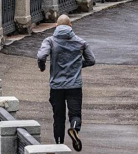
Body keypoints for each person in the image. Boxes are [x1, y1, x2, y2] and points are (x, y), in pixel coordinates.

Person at [37, 15, 95, 152]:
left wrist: (42, 67)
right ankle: (74, 128)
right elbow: (91, 60)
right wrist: (78, 64)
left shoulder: (50, 41)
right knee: (75, 114)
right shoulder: (80, 42)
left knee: (58, 117)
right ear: (71, 26)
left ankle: (59, 146)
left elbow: (41, 56)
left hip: (56, 87)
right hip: (74, 85)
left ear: (56, 26)